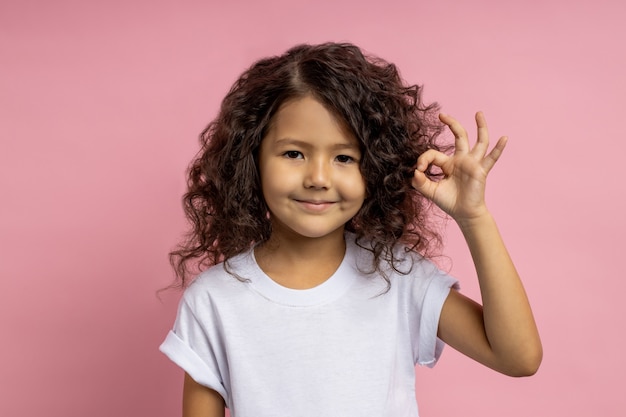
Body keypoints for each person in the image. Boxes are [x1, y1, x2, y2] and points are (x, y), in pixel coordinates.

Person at [159, 42, 542, 417]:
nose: (319, 178)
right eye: (294, 153)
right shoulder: (213, 300)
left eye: (344, 157)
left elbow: (518, 357)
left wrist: (473, 217)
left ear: (374, 169)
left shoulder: (399, 277)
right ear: (251, 157)